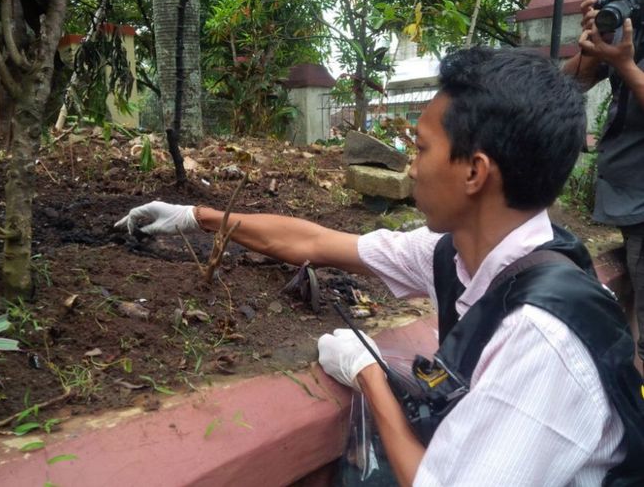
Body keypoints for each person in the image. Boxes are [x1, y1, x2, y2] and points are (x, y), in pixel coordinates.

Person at [117, 48, 643, 485]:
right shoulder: (462, 250)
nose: (410, 166)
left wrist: (367, 373)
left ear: (474, 173)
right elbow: (318, 242)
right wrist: (197, 217)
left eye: (421, 147)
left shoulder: (539, 342)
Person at [562, 0, 644, 364]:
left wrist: (625, 66)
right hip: (630, 198)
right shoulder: (632, 24)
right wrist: (593, 49)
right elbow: (569, 85)